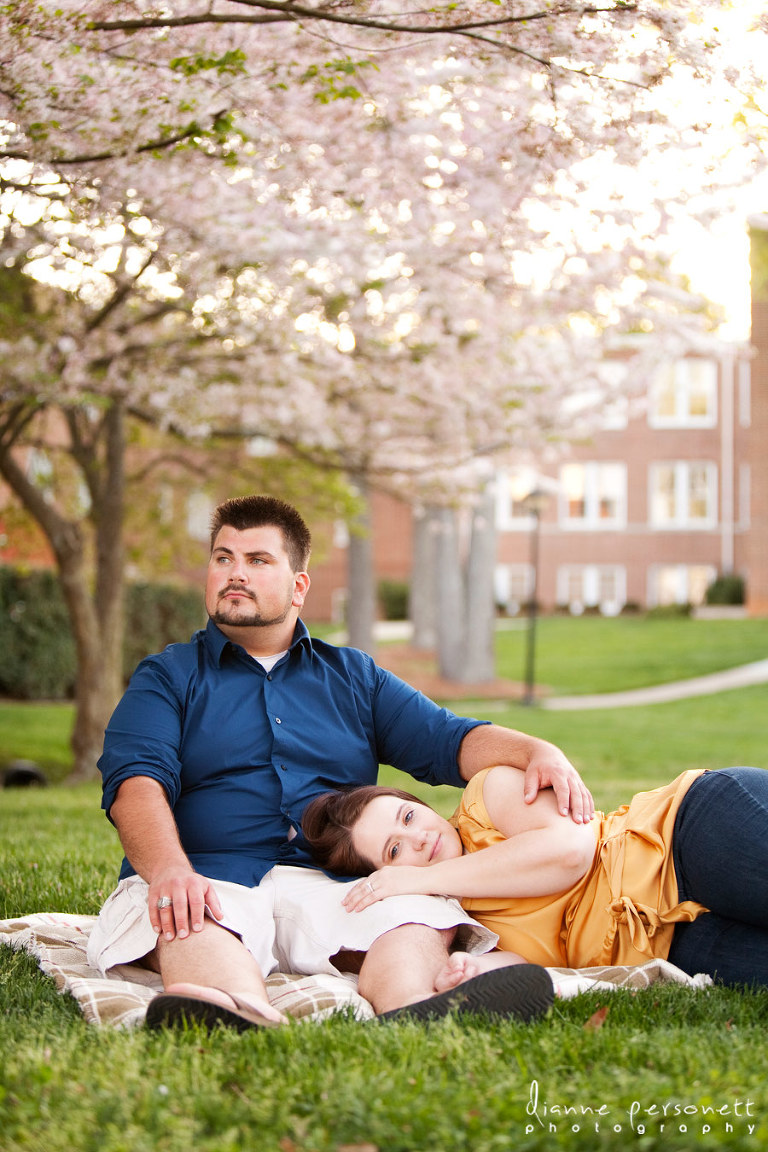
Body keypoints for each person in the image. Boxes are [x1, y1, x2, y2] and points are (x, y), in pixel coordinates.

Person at [87, 495, 592, 1029]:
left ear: (299, 586)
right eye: (223, 558)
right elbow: (135, 783)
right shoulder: (167, 677)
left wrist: (536, 750)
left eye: (258, 560)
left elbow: (447, 740)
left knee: (412, 915)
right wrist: (170, 871)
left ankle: (415, 1009)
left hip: (333, 887)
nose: (235, 573)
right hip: (208, 874)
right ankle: (235, 1013)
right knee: (186, 920)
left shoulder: (354, 676)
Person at [301, 763, 768, 990]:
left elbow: (570, 852)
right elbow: (535, 970)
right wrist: (477, 970)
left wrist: (418, 878)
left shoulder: (487, 796)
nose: (419, 838)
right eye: (395, 850)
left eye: (407, 817)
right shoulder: (459, 920)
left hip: (684, 838)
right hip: (673, 941)